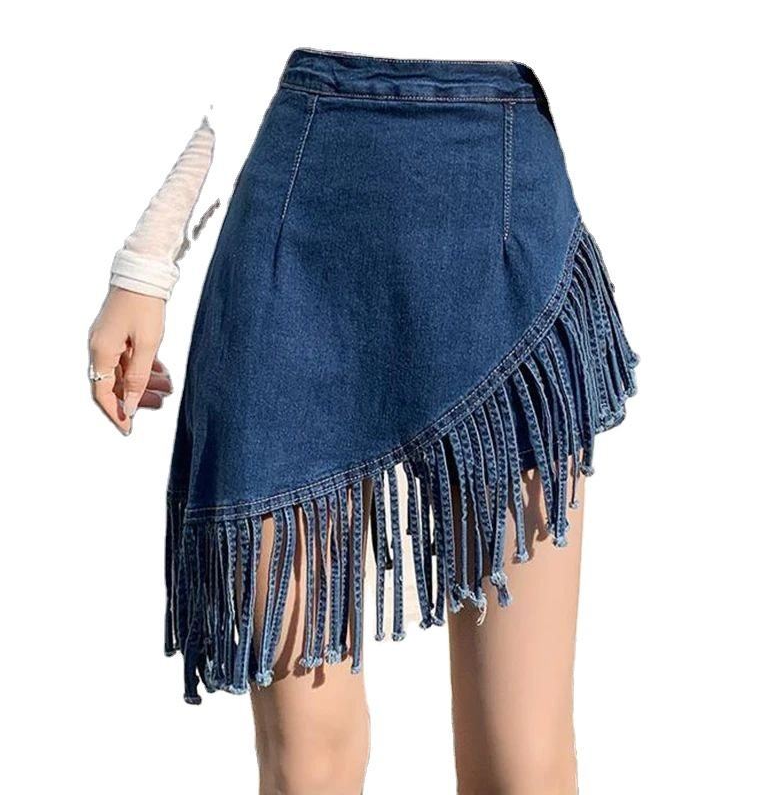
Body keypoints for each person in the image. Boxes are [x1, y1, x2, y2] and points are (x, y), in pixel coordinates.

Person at [88, 47, 638, 795]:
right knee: (307, 757)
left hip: (504, 220)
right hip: (293, 237)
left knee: (523, 761)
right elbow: (223, 34)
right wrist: (147, 263)